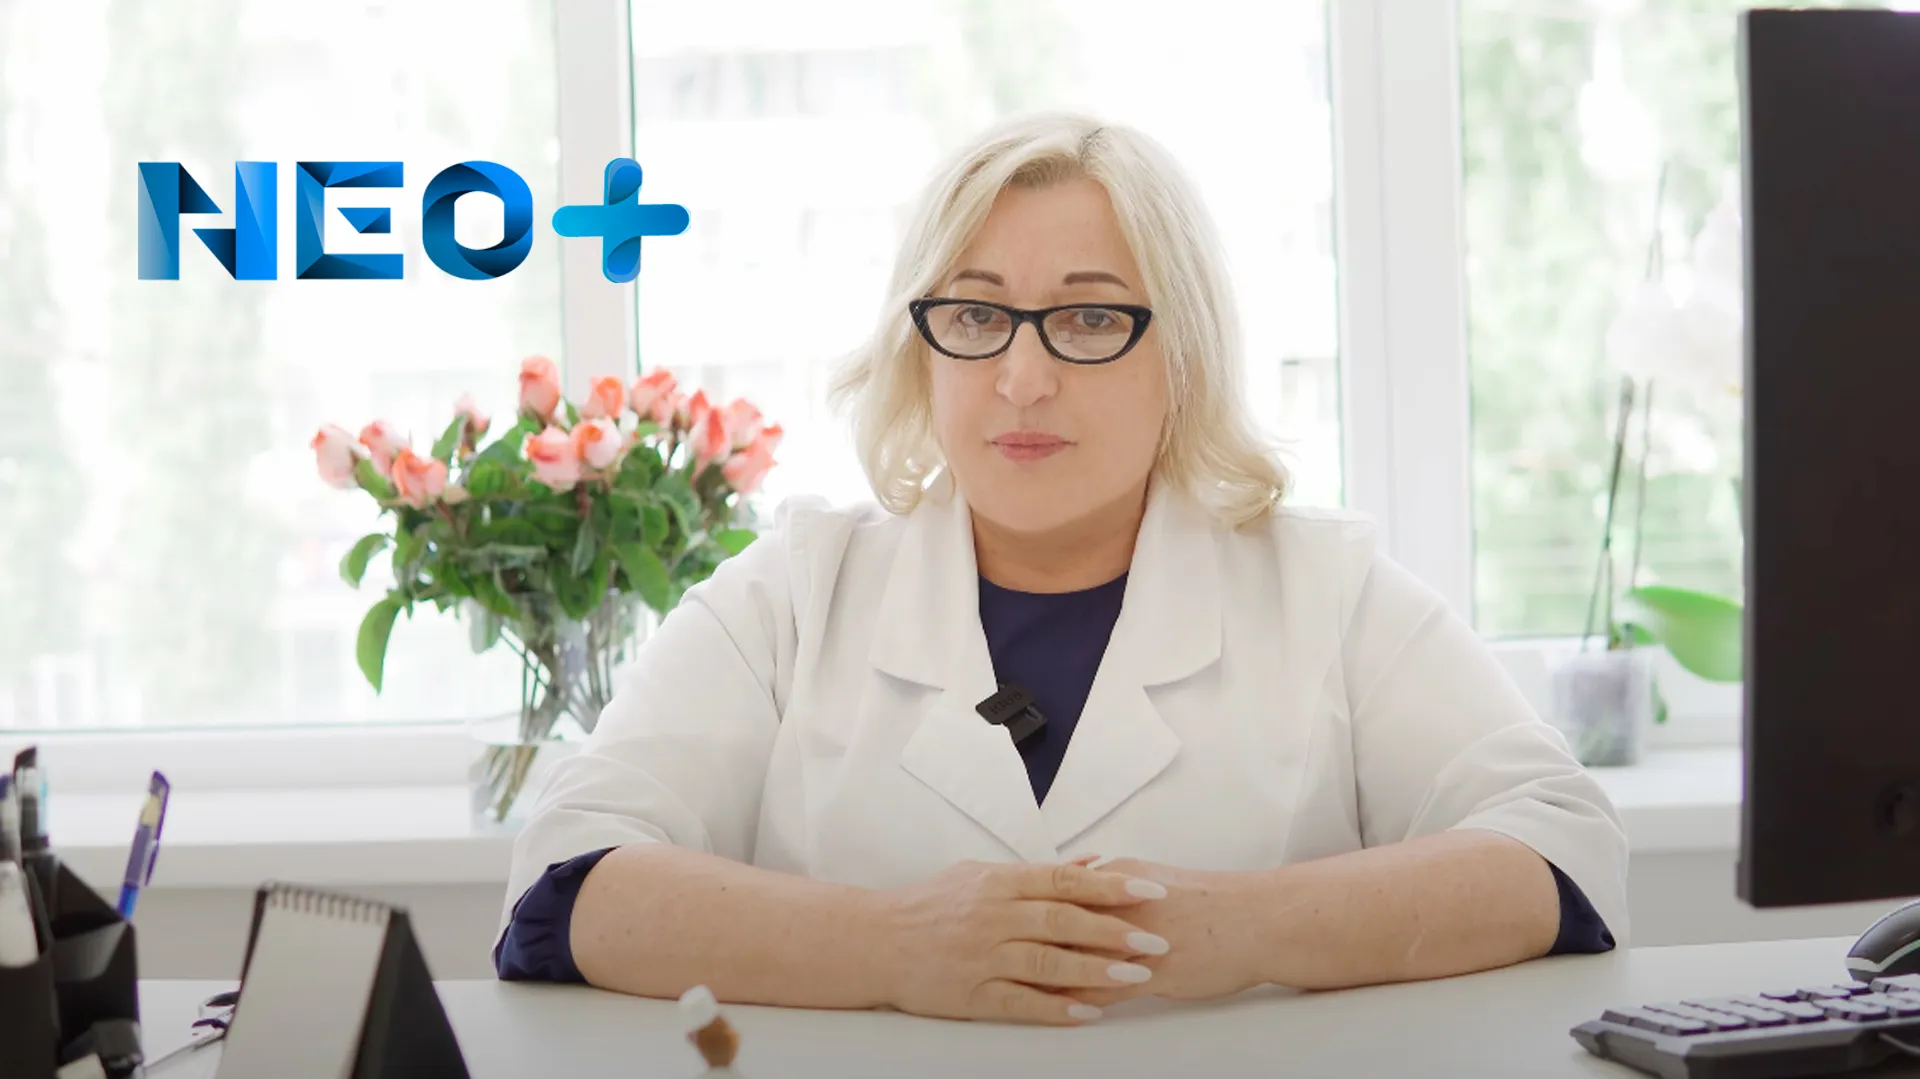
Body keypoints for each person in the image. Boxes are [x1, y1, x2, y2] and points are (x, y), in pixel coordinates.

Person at [494, 111, 1626, 1027]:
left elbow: (1563, 850)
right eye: (977, 314)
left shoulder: (1323, 589)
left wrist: (1241, 928)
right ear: (922, 349)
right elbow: (563, 878)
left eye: (1087, 318)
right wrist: (895, 946)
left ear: (1182, 355)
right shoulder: (794, 592)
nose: (1023, 377)